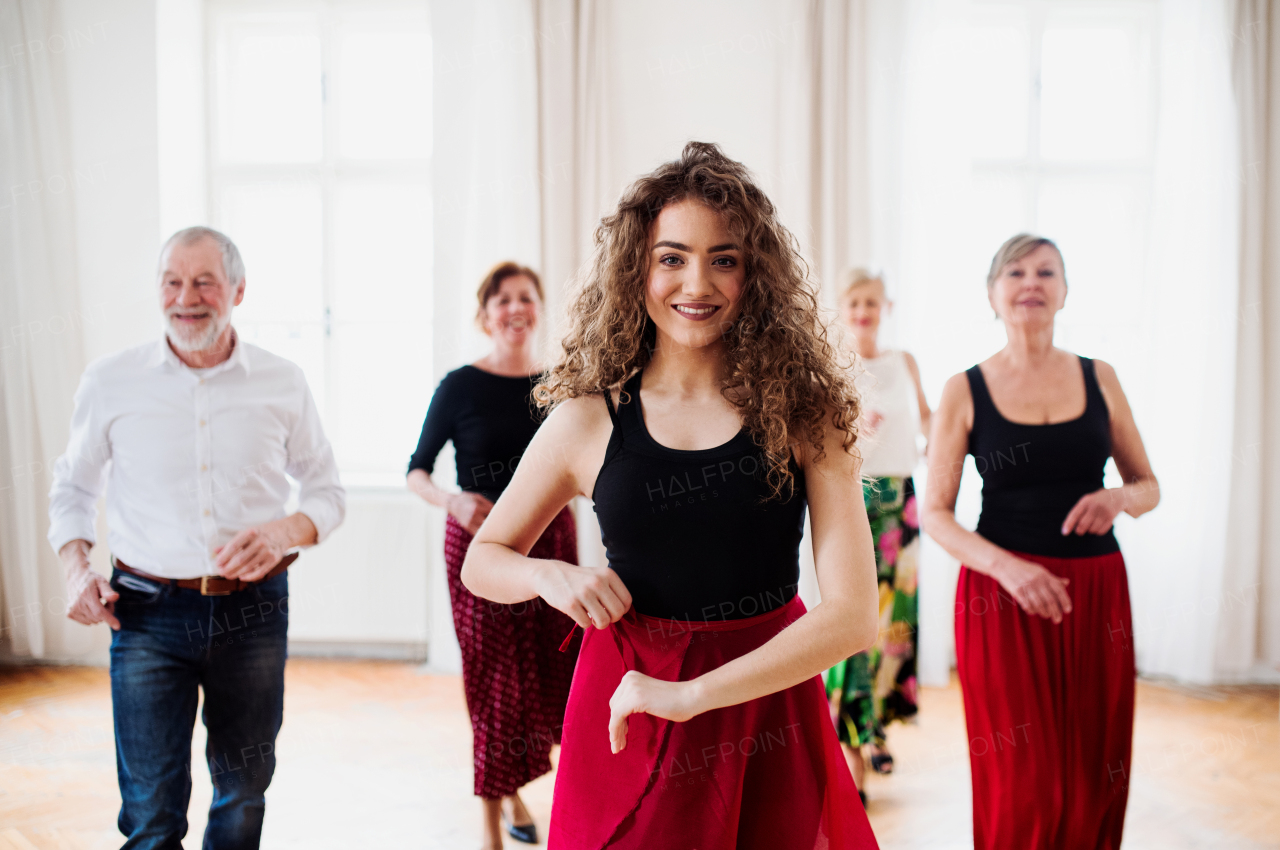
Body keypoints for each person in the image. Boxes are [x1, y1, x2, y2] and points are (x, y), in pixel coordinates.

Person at [460, 142, 881, 849]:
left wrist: (690, 696)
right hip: (626, 705)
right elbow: (486, 559)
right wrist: (549, 575)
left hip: (765, 707)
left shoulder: (807, 414)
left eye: (725, 258)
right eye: (672, 257)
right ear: (637, 270)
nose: (698, 281)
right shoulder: (586, 418)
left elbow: (853, 617)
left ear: (756, 275)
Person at [49, 226, 346, 849]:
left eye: (205, 281)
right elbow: (72, 489)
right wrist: (77, 568)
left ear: (238, 290)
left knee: (242, 795)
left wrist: (285, 529)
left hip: (254, 612)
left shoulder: (283, 381)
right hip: (145, 613)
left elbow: (327, 493)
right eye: (172, 282)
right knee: (152, 813)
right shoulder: (111, 381)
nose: (187, 297)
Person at [922, 234, 1159, 850]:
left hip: (1096, 593)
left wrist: (1119, 498)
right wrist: (1010, 569)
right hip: (1001, 598)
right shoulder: (963, 389)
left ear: (1063, 292)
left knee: (1092, 772)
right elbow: (938, 514)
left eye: (1046, 271)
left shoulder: (1099, 376)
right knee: (1024, 782)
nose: (1031, 281)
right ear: (993, 295)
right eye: (1016, 271)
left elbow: (1148, 485)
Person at [407, 262, 579, 849]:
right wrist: (452, 502)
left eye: (525, 297)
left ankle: (516, 791)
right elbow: (417, 472)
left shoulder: (563, 384)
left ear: (539, 308)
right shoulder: (460, 384)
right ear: (485, 315)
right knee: (494, 679)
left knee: (551, 675)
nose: (514, 307)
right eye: (501, 299)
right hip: (479, 549)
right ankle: (490, 820)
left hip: (553, 544)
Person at [825, 270, 931, 796]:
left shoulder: (904, 361)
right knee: (853, 624)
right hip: (852, 500)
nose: (863, 311)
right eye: (854, 303)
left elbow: (930, 421)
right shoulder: (831, 363)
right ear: (843, 310)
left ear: (886, 306)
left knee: (895, 621)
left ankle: (879, 728)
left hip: (903, 505)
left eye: (871, 302)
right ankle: (851, 743)